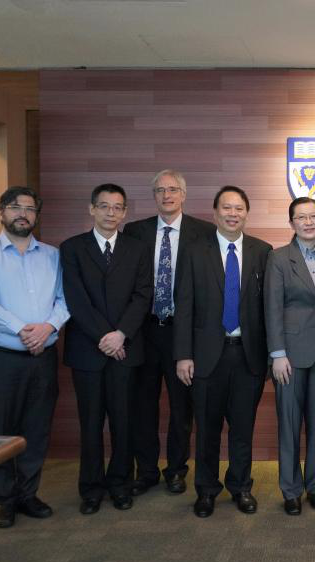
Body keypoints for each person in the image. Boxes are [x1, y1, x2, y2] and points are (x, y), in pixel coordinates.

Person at [0, 186, 70, 528]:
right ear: (1, 212)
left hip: (43, 357)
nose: (22, 213)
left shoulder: (53, 255)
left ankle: (27, 494)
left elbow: (65, 300)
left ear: (36, 215)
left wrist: (47, 327)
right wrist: (24, 330)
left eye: (29, 208)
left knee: (36, 429)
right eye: (15, 207)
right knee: (0, 429)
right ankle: (3, 498)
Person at [174, 186, 272, 518]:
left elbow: (268, 308)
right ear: (215, 213)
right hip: (205, 357)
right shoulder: (194, 251)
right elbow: (184, 305)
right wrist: (183, 354)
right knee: (207, 429)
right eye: (226, 208)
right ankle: (206, 490)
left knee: (243, 428)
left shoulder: (262, 251)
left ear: (247, 213)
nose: (233, 214)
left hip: (248, 355)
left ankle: (241, 487)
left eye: (239, 208)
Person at [60, 184, 153, 514]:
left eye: (117, 207)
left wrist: (121, 334)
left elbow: (143, 295)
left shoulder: (137, 248)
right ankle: (91, 488)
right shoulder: (72, 248)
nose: (111, 213)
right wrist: (106, 337)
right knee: (90, 424)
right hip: (88, 350)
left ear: (124, 212)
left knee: (124, 422)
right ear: (92, 209)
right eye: (104, 206)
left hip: (126, 350)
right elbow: (76, 299)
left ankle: (120, 484)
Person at [124, 170, 214, 497]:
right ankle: (146, 471)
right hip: (144, 331)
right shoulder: (135, 232)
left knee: (181, 408)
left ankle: (176, 470)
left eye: (173, 189)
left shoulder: (204, 232)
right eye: (160, 190)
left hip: (183, 332)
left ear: (184, 195)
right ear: (154, 196)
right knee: (143, 406)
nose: (167, 195)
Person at [264, 197, 315, 516]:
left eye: (313, 216)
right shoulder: (278, 258)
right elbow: (272, 307)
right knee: (289, 424)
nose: (308, 222)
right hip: (289, 355)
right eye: (301, 217)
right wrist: (277, 353)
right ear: (291, 222)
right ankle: (291, 490)